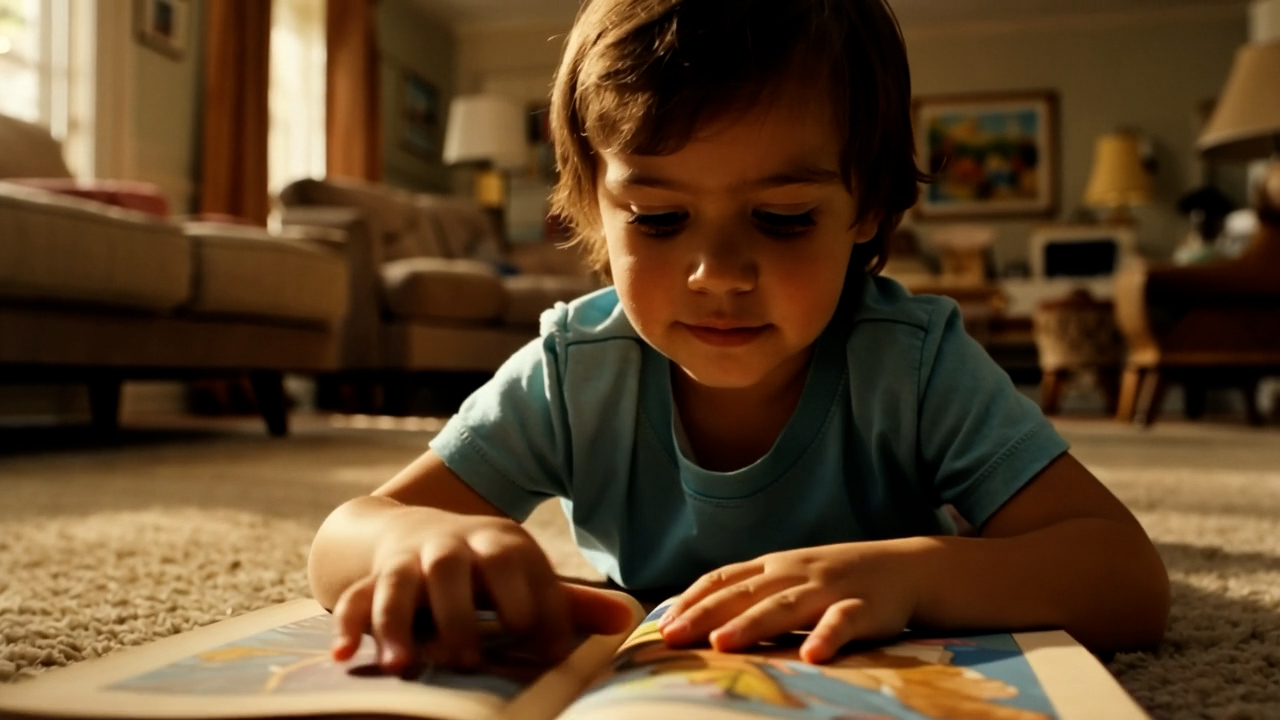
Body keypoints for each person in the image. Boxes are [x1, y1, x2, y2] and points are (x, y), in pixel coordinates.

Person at [308, 0, 1170, 676]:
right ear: (600, 214)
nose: (716, 273)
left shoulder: (911, 361)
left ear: (864, 206)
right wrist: (422, 541)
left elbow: (1126, 580)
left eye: (783, 219)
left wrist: (910, 574)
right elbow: (345, 538)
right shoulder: (576, 368)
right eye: (660, 217)